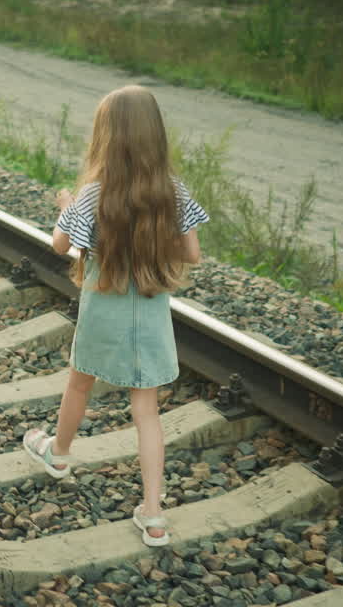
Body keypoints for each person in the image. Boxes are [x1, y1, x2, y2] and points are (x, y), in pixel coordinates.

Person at [22, 84, 207, 547]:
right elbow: (194, 255)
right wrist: (153, 239)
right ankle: (153, 513)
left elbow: (60, 246)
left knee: (79, 381)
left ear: (107, 137)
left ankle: (59, 453)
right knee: (146, 410)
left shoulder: (94, 194)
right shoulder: (173, 192)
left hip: (103, 308)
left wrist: (67, 211)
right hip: (150, 311)